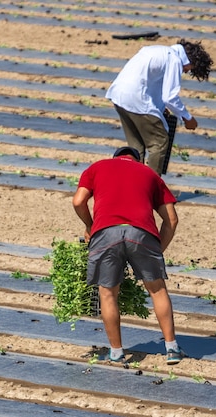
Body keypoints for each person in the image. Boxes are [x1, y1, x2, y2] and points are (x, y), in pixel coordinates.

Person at [72, 146, 185, 365]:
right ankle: (172, 349)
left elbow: (78, 201)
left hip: (106, 234)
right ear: (138, 160)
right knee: (157, 289)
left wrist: (90, 226)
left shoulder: (97, 168)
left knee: (107, 294)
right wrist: (157, 250)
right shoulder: (150, 174)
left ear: (114, 158)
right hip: (142, 234)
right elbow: (171, 219)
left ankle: (116, 352)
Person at [105, 39, 213, 175]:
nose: (185, 71)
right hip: (135, 99)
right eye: (189, 69)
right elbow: (170, 97)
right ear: (190, 61)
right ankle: (152, 187)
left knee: (136, 146)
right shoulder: (174, 60)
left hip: (119, 96)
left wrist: (160, 108)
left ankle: (133, 185)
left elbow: (151, 84)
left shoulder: (157, 50)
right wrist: (187, 117)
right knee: (159, 142)